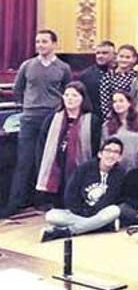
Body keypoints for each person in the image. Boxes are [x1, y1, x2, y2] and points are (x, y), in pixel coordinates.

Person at [2, 29, 72, 218]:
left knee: (48, 160)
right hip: (30, 118)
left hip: (52, 119)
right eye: (37, 42)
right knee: (24, 161)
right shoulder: (27, 65)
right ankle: (15, 203)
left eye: (44, 41)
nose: (40, 45)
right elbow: (18, 89)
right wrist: (28, 106)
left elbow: (68, 90)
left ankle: (45, 201)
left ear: (54, 44)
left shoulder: (63, 68)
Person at [40, 138, 125, 242]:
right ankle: (102, 226)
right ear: (100, 154)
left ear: (120, 158)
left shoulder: (119, 174)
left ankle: (67, 231)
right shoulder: (85, 168)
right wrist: (81, 212)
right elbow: (70, 193)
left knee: (114, 210)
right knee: (51, 216)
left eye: (116, 152)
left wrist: (91, 213)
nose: (111, 155)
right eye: (108, 150)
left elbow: (110, 199)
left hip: (98, 212)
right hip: (78, 212)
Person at [35, 82, 101, 204]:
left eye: (74, 96)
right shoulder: (52, 119)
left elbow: (96, 147)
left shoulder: (92, 120)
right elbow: (41, 144)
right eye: (67, 95)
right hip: (56, 163)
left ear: (83, 98)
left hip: (80, 166)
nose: (70, 99)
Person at [102, 91, 138, 172]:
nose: (117, 104)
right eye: (115, 102)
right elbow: (104, 150)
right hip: (114, 170)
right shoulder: (106, 126)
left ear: (129, 103)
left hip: (136, 169)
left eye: (121, 101)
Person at [98, 44, 138, 119]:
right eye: (121, 56)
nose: (124, 60)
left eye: (127, 57)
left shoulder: (136, 76)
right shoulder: (108, 76)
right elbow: (105, 103)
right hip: (113, 118)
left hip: (134, 118)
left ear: (134, 59)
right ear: (116, 57)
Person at [79, 40, 115, 121]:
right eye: (98, 53)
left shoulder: (120, 73)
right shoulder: (86, 75)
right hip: (94, 119)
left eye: (104, 53)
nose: (100, 56)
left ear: (114, 55)